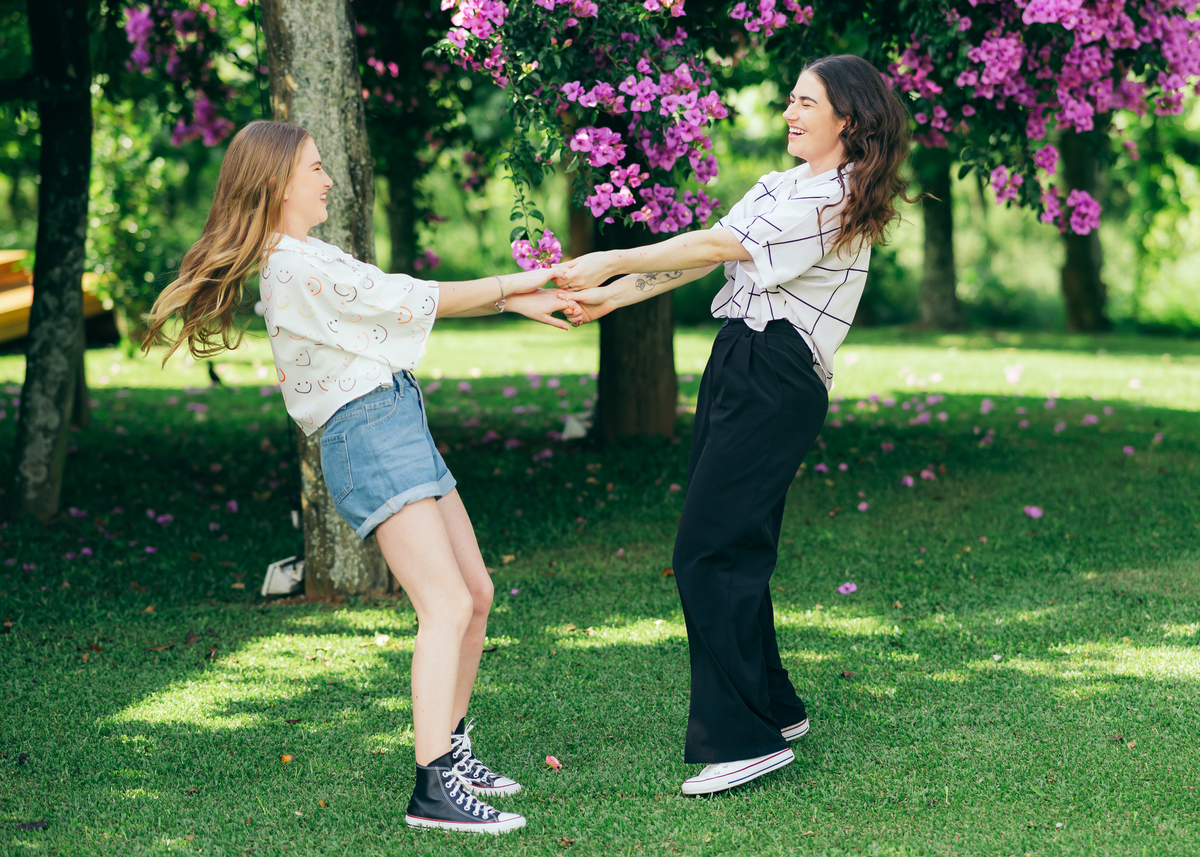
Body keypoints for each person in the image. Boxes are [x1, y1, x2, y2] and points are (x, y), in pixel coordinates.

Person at [144, 120, 574, 834]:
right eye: (315, 168)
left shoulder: (310, 254)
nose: (327, 179)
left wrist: (512, 299)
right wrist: (517, 283)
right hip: (366, 433)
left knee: (475, 592)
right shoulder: (290, 266)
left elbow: (394, 297)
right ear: (277, 182)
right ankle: (433, 789)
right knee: (444, 604)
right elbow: (406, 299)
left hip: (395, 418)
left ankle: (452, 752)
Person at [555, 55, 913, 796]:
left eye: (806, 102)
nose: (789, 113)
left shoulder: (836, 197)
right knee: (734, 545)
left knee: (706, 552)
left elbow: (719, 247)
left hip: (777, 375)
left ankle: (745, 740)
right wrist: (614, 297)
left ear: (848, 119)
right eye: (790, 100)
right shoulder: (783, 184)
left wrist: (609, 258)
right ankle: (774, 708)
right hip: (739, 359)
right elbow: (706, 252)